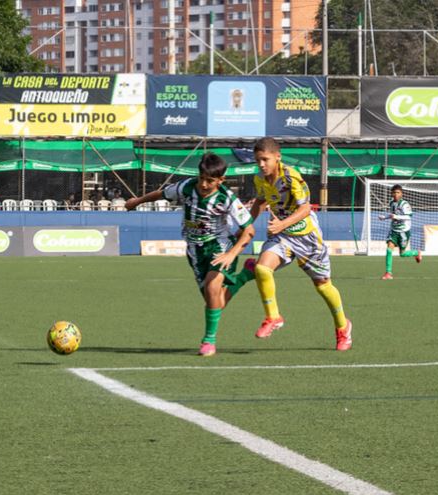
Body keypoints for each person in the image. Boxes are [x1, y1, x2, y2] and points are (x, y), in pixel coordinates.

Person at [125, 152, 257, 357]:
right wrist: (137, 202)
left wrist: (231, 254)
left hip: (219, 248)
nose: (204, 184)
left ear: (221, 180)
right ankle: (244, 277)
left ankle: (208, 341)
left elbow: (249, 230)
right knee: (215, 302)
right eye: (202, 178)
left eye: (210, 181)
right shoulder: (187, 187)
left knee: (213, 288)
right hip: (195, 251)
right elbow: (161, 194)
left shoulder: (227, 198)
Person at [248, 137, 352, 351]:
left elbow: (306, 209)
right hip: (283, 236)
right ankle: (273, 317)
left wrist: (281, 224)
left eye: (265, 159)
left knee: (323, 286)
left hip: (307, 237)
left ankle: (343, 327)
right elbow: (260, 201)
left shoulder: (291, 177)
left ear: (278, 157)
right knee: (262, 268)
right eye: (258, 160)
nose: (261, 164)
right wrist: (246, 226)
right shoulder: (260, 179)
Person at [378, 184, 422, 280]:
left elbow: (409, 216)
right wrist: (384, 218)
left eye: (398, 192)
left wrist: (397, 217)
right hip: (394, 231)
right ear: (391, 194)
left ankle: (416, 253)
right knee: (389, 249)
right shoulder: (391, 203)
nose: (395, 194)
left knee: (402, 254)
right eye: (394, 192)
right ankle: (388, 273)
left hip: (403, 232)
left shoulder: (405, 204)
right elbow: (392, 215)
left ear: (401, 194)